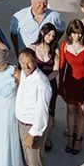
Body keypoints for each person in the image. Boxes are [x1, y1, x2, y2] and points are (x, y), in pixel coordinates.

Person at [15, 47, 52, 166]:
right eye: (22, 63)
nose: (26, 66)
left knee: (36, 164)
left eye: (28, 62)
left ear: (35, 61)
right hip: (22, 123)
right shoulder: (24, 74)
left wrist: (33, 134)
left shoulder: (41, 83)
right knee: (26, 159)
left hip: (33, 127)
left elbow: (42, 113)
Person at [58, 19, 84, 156]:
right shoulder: (64, 45)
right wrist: (61, 84)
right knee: (70, 111)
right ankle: (70, 137)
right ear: (69, 33)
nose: (77, 36)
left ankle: (78, 139)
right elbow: (61, 66)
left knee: (82, 112)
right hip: (70, 82)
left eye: (79, 33)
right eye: (74, 33)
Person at [31, 23, 59, 152]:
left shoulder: (55, 49)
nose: (51, 38)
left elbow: (56, 70)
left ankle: (47, 138)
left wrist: (46, 80)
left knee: (49, 112)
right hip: (35, 85)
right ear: (42, 32)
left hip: (50, 83)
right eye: (49, 35)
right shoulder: (32, 48)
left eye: (53, 36)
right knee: (36, 110)